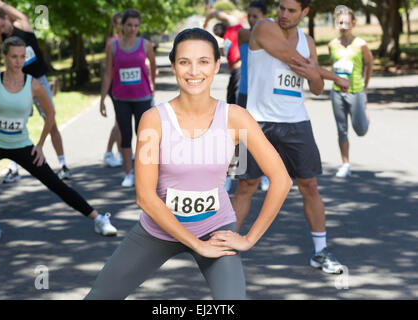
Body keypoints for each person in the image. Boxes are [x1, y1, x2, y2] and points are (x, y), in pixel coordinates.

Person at [84, 28, 292, 300]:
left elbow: (282, 179)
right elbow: (145, 198)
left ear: (218, 65)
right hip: (158, 230)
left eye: (204, 61)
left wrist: (249, 238)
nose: (194, 71)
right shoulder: (153, 119)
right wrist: (197, 245)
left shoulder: (236, 118)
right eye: (185, 62)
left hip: (215, 229)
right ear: (173, 65)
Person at [232, 0, 349, 274]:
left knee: (310, 186)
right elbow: (293, 60)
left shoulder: (307, 41)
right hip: (256, 121)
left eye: (291, 10)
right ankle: (225, 251)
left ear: (305, 12)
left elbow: (316, 88)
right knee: (246, 186)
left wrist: (316, 74)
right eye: (281, 8)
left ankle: (320, 252)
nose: (284, 14)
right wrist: (335, 77)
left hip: (296, 122)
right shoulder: (263, 27)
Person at [0, 37, 118, 245]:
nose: (18, 61)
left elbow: (50, 115)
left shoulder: (34, 85)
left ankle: (99, 219)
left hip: (21, 145)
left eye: (22, 57)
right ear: (4, 56)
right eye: (13, 57)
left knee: (55, 183)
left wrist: (39, 146)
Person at [0, 0, 72, 182]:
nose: (0, 29)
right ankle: (14, 168)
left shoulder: (23, 26)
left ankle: (63, 165)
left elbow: (19, 15)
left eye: (1, 24)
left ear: (6, 17)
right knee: (13, 122)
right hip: (17, 84)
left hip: (38, 81)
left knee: (51, 120)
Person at [99, 9, 156, 187]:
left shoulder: (145, 45)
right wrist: (102, 98)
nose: (133, 29)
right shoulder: (113, 46)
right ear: (122, 25)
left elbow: (153, 66)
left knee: (144, 136)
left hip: (142, 97)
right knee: (125, 135)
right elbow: (108, 73)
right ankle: (128, 173)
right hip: (121, 98)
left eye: (136, 25)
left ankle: (144, 174)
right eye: (129, 25)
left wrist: (152, 85)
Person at [203, 6, 244, 192]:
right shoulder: (227, 35)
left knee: (240, 126)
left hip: (241, 74)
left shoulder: (236, 26)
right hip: (234, 75)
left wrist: (206, 19)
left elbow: (217, 13)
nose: (218, 28)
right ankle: (233, 171)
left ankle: (256, 173)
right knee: (232, 126)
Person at [329, 5, 373, 178]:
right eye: (340, 22)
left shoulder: (361, 44)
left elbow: (370, 63)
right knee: (341, 129)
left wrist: (365, 86)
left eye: (347, 22)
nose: (343, 25)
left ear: (353, 23)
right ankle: (345, 163)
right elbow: (332, 67)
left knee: (361, 130)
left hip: (356, 91)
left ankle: (365, 108)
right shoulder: (332, 45)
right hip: (337, 92)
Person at [237, 1, 270, 192]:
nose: (251, 20)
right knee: (240, 136)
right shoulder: (244, 34)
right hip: (245, 93)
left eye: (255, 16)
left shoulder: (270, 36)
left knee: (263, 137)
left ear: (264, 17)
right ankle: (237, 174)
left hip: (264, 95)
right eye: (249, 16)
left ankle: (264, 174)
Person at [102, 12, 124, 168]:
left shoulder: (131, 41)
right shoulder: (113, 42)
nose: (122, 26)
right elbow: (108, 68)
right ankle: (108, 152)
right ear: (115, 25)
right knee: (120, 121)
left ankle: (121, 152)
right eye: (119, 23)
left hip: (127, 87)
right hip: (115, 85)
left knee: (121, 121)